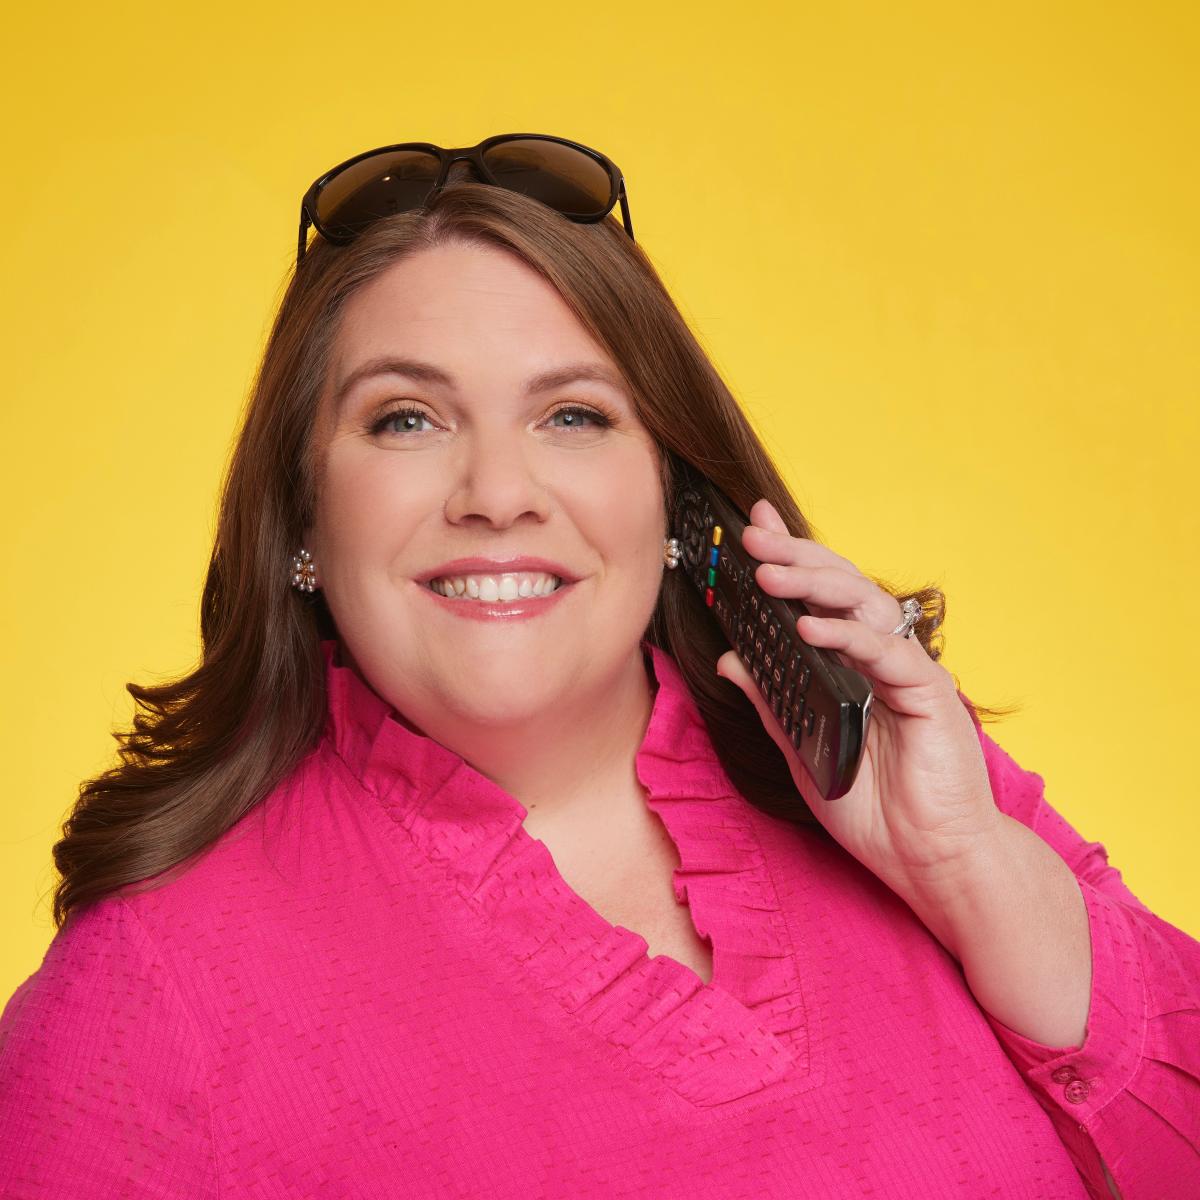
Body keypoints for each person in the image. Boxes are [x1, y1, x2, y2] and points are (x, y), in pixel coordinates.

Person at [0, 134, 1196, 1199]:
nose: (498, 494)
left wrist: (967, 867)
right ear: (301, 516)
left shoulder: (907, 781)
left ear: (671, 493)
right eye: (406, 418)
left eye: (572, 415)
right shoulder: (147, 990)